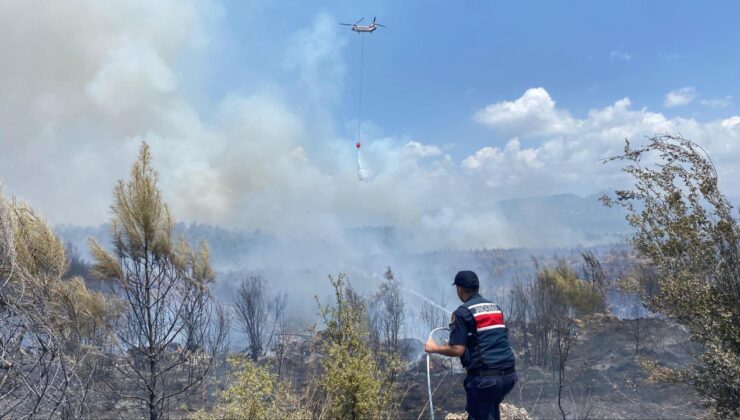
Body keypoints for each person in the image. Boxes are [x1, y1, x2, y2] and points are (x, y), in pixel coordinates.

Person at [424, 270, 517, 420]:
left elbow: (457, 349)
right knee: (490, 412)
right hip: (509, 377)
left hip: (485, 380)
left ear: (459, 290)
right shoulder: (495, 307)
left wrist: (433, 348)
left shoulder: (462, 313)